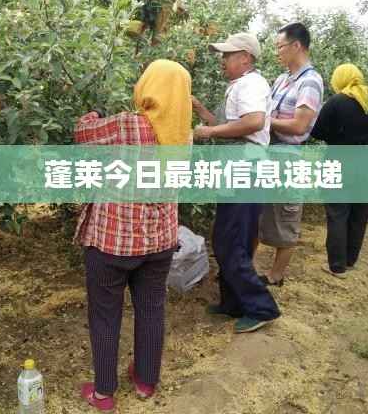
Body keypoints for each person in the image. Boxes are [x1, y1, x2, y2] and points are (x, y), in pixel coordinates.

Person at [75, 60, 192, 412]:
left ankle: (104, 392)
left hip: (113, 242)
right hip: (160, 243)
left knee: (105, 315)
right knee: (152, 308)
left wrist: (92, 115)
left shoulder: (128, 124)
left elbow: (83, 134)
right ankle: (145, 380)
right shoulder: (183, 134)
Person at [193, 32, 281, 334]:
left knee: (229, 240)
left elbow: (253, 121)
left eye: (228, 55)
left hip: (246, 168)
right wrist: (200, 110)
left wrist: (208, 133)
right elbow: (229, 125)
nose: (222, 60)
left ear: (245, 57)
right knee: (232, 238)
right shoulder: (239, 85)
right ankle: (233, 302)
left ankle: (262, 307)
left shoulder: (251, 84)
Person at [257, 22, 323, 286]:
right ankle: (248, 267)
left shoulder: (310, 82)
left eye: (280, 47)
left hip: (288, 156)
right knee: (259, 212)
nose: (277, 52)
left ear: (297, 46)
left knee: (286, 217)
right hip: (269, 152)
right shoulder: (282, 79)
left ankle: (276, 276)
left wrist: (262, 122)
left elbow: (298, 126)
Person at [311, 63, 368, 278]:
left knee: (337, 212)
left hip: (339, 162)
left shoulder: (336, 102)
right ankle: (350, 260)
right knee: (359, 212)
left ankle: (337, 266)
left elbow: (317, 132)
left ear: (339, 79)